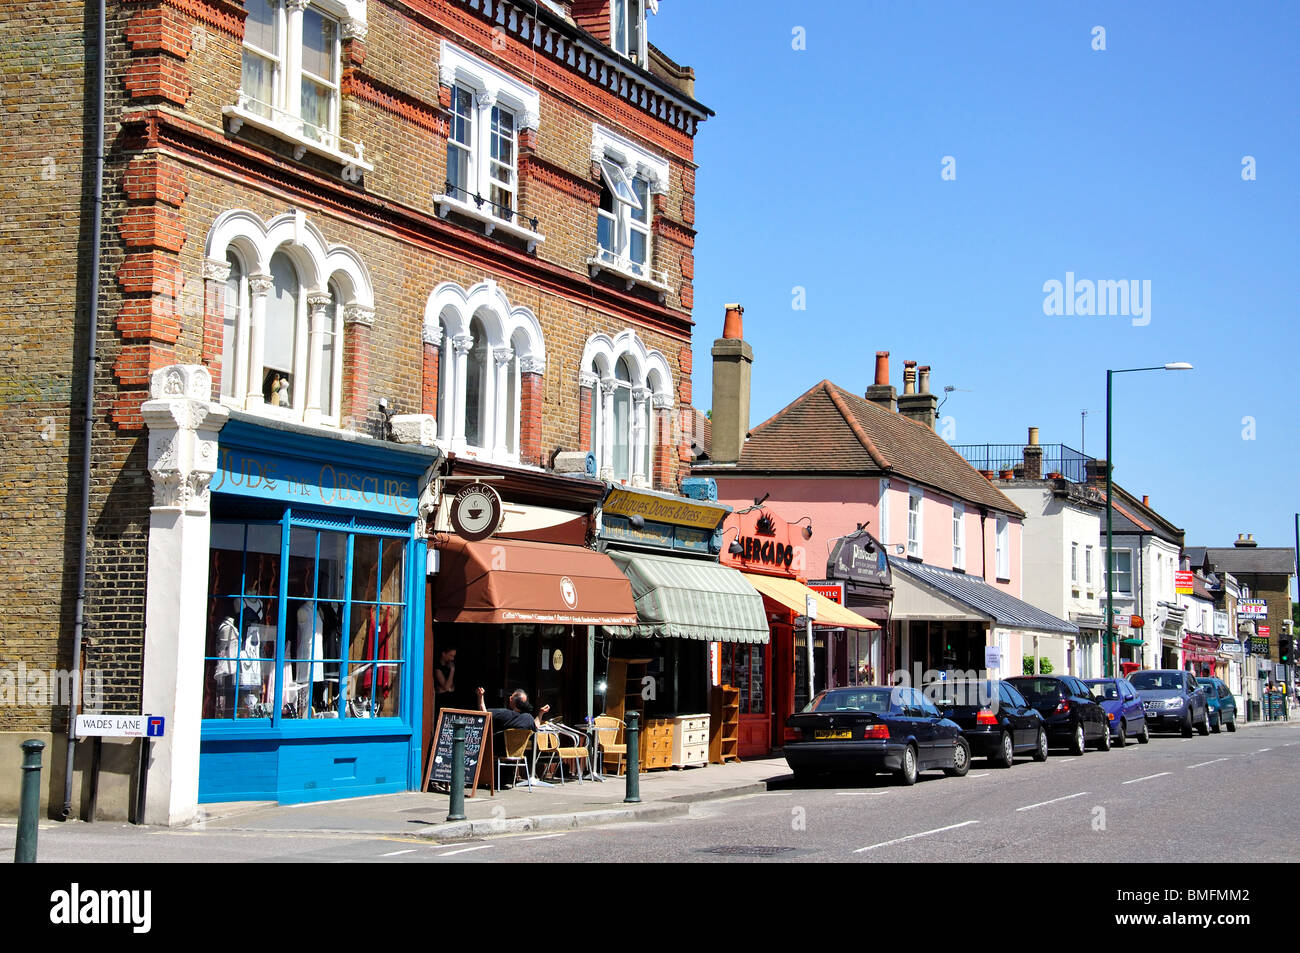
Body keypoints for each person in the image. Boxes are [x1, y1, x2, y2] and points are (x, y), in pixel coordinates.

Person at [475, 686, 550, 730]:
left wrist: (480, 697)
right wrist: (541, 713)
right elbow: (536, 726)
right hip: (519, 753)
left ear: (511, 699)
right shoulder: (528, 718)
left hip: (499, 751)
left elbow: (484, 715)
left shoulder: (503, 714)